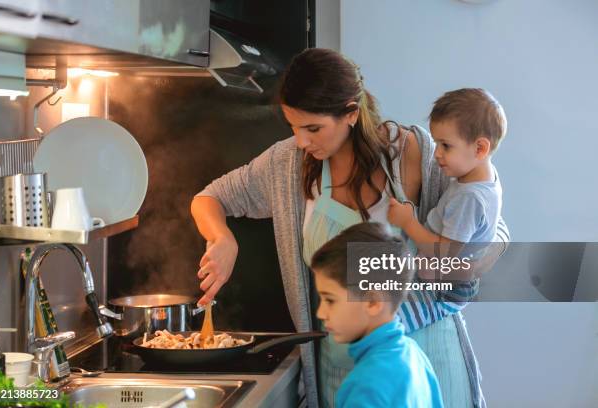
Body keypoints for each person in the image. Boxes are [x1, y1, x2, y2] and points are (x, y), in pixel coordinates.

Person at [190, 48, 509, 408]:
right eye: (293, 126)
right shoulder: (287, 164)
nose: (302, 142)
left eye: (313, 128)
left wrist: (459, 265)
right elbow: (210, 197)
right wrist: (222, 238)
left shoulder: (414, 151)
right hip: (341, 371)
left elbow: (492, 230)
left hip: (425, 360)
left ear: (352, 114)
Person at [311, 222, 444, 408]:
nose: (320, 313)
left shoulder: (365, 387)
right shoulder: (414, 354)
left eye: (330, 300)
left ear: (373, 302)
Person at [389, 89, 505, 259]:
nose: (436, 153)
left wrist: (408, 222)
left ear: (480, 148)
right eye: (436, 143)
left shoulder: (469, 197)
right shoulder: (486, 175)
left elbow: (444, 253)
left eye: (446, 145)